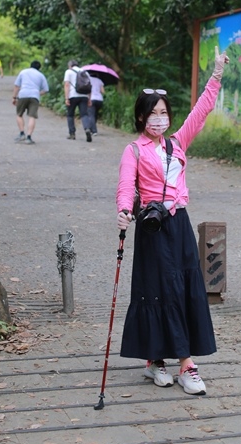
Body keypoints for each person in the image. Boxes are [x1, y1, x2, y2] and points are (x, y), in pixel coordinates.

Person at [115, 52, 228, 395]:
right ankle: (165, 361)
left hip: (178, 223)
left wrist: (217, 74)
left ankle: (180, 363)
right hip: (152, 227)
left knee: (182, 289)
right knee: (157, 291)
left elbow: (203, 109)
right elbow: (125, 187)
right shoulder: (133, 151)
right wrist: (123, 211)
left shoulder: (178, 142)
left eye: (164, 113)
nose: (160, 119)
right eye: (154, 113)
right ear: (141, 117)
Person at [12, 61, 50, 144]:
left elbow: (17, 86)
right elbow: (46, 89)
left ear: (30, 66)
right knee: (32, 116)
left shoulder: (23, 72)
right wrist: (37, 93)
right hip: (34, 96)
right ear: (39, 68)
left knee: (19, 114)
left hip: (23, 94)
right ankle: (29, 137)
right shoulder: (41, 75)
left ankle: (22, 133)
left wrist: (14, 97)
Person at [63, 59, 93, 142]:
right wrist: (89, 99)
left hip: (73, 95)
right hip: (84, 96)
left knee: (70, 115)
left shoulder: (68, 72)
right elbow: (90, 86)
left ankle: (72, 134)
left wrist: (66, 98)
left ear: (70, 65)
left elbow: (66, 85)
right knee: (84, 114)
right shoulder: (85, 72)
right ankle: (87, 129)